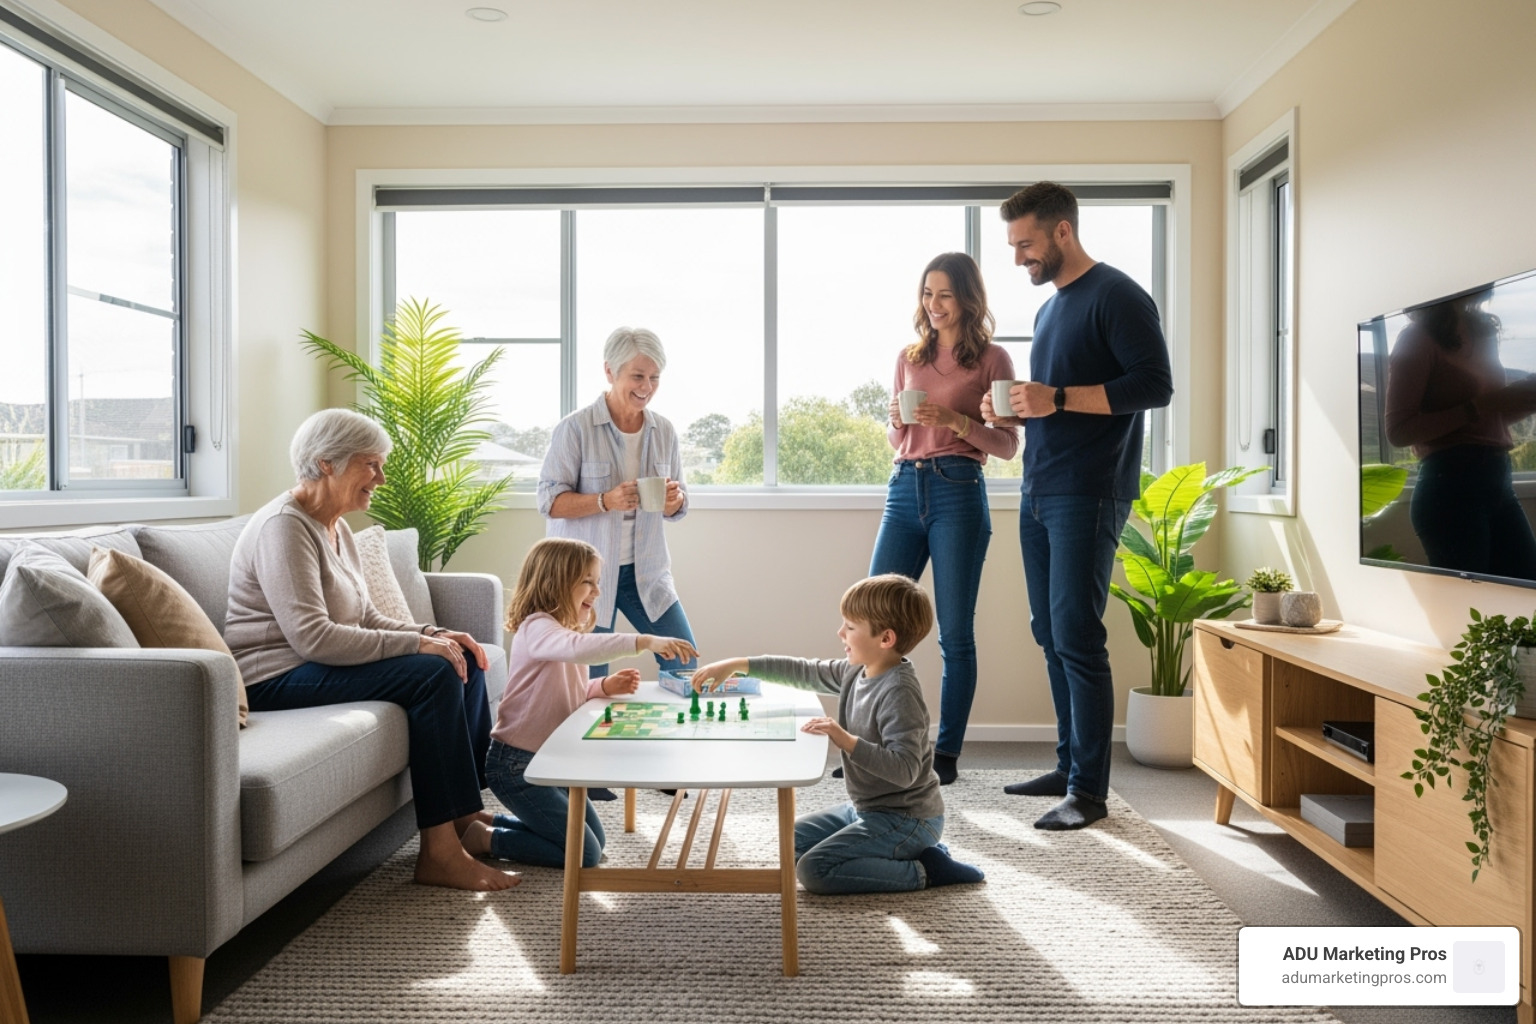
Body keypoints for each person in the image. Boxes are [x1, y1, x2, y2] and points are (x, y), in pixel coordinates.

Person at [226, 408, 518, 891]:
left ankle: (465, 818)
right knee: (433, 674)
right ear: (326, 464)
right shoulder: (285, 527)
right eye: (371, 465)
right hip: (274, 677)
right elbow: (313, 637)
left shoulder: (335, 526)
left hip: (315, 664)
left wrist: (433, 633)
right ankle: (439, 854)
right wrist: (419, 646)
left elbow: (363, 617)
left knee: (459, 656)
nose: (380, 478)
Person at [980, 182, 1174, 831]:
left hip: (1089, 491)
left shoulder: (1117, 295)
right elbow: (1052, 400)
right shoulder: (1049, 312)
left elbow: (1153, 385)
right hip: (1041, 487)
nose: (1018, 258)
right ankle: (1067, 767)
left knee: (1078, 637)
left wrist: (1055, 398)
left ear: (1063, 232)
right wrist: (1015, 408)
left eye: (1026, 243)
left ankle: (1089, 792)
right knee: (1050, 632)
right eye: (1013, 246)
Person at [692, 574, 984, 894]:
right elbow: (803, 671)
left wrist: (845, 739)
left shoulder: (900, 692)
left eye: (850, 627)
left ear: (885, 639)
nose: (840, 633)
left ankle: (926, 868)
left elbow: (906, 770)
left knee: (815, 871)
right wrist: (739, 664)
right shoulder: (856, 670)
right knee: (789, 843)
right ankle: (906, 854)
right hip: (866, 808)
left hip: (910, 819)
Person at [872, 252, 1019, 786]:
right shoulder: (908, 357)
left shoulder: (993, 361)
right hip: (904, 487)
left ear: (967, 299)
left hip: (959, 490)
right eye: (927, 294)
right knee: (870, 620)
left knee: (954, 634)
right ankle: (870, 747)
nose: (933, 305)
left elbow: (1006, 445)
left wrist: (956, 420)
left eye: (945, 295)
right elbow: (899, 438)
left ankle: (948, 753)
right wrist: (894, 423)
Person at [462, 537, 697, 867]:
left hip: (553, 762)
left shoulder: (561, 634)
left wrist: (602, 685)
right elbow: (576, 648)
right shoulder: (538, 628)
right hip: (517, 765)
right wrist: (644, 640)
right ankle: (487, 839)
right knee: (585, 855)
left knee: (595, 842)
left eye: (597, 582)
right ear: (553, 582)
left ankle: (490, 824)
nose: (597, 592)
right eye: (587, 582)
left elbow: (565, 692)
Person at [1383, 288, 1536, 579]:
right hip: (1450, 490)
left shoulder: (1482, 331)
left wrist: (1523, 401)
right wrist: (1485, 404)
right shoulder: (1417, 336)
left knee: (1524, 590)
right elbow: (1399, 431)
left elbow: (1485, 419)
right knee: (1468, 608)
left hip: (1499, 482)